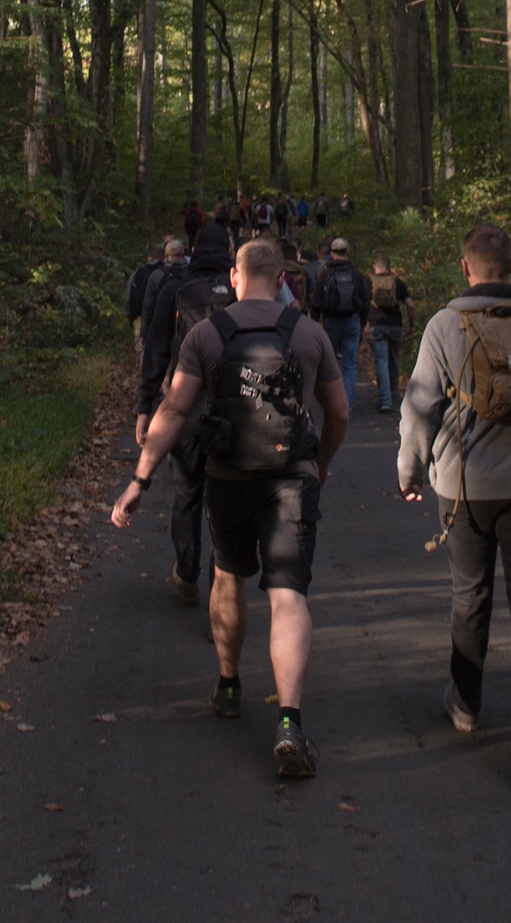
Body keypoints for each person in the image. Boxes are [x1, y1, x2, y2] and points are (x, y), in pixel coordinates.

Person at [112, 237, 349, 779]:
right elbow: (338, 412)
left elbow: (173, 411)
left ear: (237, 279)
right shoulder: (309, 333)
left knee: (228, 576)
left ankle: (228, 682)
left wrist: (139, 480)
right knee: (288, 596)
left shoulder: (206, 333)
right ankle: (289, 720)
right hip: (293, 478)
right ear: (283, 279)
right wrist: (324, 463)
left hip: (227, 476)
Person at [397, 224, 511, 793]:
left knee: (469, 596)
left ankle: (467, 702)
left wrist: (410, 469)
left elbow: (420, 407)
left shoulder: (443, 325)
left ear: (465, 268)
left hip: (465, 489)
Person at [136, 224, 236, 604]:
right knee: (225, 497)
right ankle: (221, 588)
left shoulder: (175, 289)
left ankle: (188, 572)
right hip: (234, 407)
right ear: (229, 248)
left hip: (185, 406)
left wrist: (145, 407)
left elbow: (156, 350)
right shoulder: (242, 289)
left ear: (193, 250)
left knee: (187, 491)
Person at [311, 238, 368, 413]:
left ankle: (332, 405)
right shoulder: (356, 274)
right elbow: (365, 301)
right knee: (350, 365)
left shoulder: (325, 274)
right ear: (347, 251)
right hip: (352, 322)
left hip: (330, 322)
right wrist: (363, 324)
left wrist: (315, 324)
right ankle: (347, 406)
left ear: (331, 253)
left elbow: (316, 302)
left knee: (330, 364)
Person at [366, 253, 415, 413]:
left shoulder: (369, 282)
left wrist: (363, 325)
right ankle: (394, 396)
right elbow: (410, 305)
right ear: (389, 267)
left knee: (381, 362)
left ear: (375, 267)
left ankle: (385, 401)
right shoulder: (397, 283)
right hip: (395, 326)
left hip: (376, 326)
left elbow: (362, 305)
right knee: (393, 360)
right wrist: (412, 326)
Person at [140, 238, 187, 346]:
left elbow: (148, 306)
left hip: (161, 329)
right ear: (183, 255)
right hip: (185, 330)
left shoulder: (156, 276)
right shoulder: (191, 274)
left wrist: (144, 333)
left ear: (165, 257)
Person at [125, 245, 163, 354]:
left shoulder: (137, 273)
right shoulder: (164, 273)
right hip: (160, 318)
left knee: (142, 351)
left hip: (139, 318)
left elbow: (129, 298)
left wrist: (131, 318)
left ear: (149, 258)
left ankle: (143, 369)